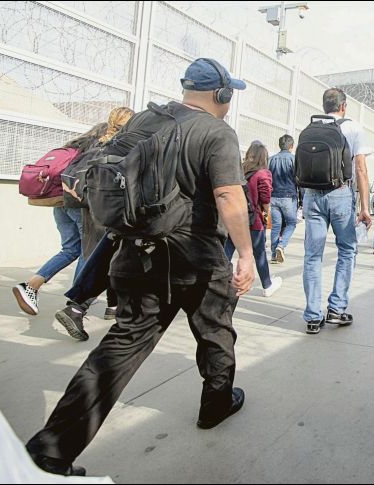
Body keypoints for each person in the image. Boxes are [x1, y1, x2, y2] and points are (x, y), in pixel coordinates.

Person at [25, 58, 256, 477]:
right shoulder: (217, 132)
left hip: (134, 253)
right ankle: (216, 403)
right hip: (196, 259)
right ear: (221, 95)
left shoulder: (146, 119)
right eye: (229, 94)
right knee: (215, 332)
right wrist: (246, 254)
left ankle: (52, 449)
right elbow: (228, 195)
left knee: (121, 345)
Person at [54, 107, 135, 341]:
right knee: (110, 261)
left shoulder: (96, 143)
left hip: (90, 211)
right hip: (111, 213)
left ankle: (111, 308)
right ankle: (77, 308)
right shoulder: (125, 146)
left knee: (105, 259)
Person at [12, 123, 108, 316]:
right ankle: (77, 302)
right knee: (86, 251)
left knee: (70, 249)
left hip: (59, 202)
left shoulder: (72, 147)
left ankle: (31, 286)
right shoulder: (96, 150)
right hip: (78, 205)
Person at [303, 88, 372, 335]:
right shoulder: (353, 128)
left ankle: (312, 316)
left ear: (325, 106)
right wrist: (365, 207)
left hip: (311, 195)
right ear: (344, 106)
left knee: (313, 255)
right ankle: (336, 308)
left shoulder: (312, 127)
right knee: (347, 250)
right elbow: (361, 169)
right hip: (341, 194)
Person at [225, 142, 282, 297]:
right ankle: (267, 285)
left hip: (235, 218)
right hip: (254, 220)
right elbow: (265, 197)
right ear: (264, 157)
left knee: (227, 250)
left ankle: (218, 280)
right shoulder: (263, 173)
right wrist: (266, 212)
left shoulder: (240, 170)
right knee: (259, 253)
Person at [268, 134, 299, 264]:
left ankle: (274, 254)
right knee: (291, 223)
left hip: (273, 197)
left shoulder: (271, 160)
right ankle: (281, 245)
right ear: (292, 146)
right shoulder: (294, 160)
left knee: (276, 226)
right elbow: (298, 179)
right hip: (288, 197)